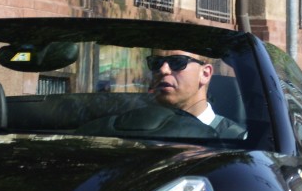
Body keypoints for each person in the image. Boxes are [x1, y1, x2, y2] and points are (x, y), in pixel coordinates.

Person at [80, 50, 246, 139]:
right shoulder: (122, 129)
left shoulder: (236, 140)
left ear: (205, 73)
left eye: (177, 62)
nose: (163, 69)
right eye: (156, 62)